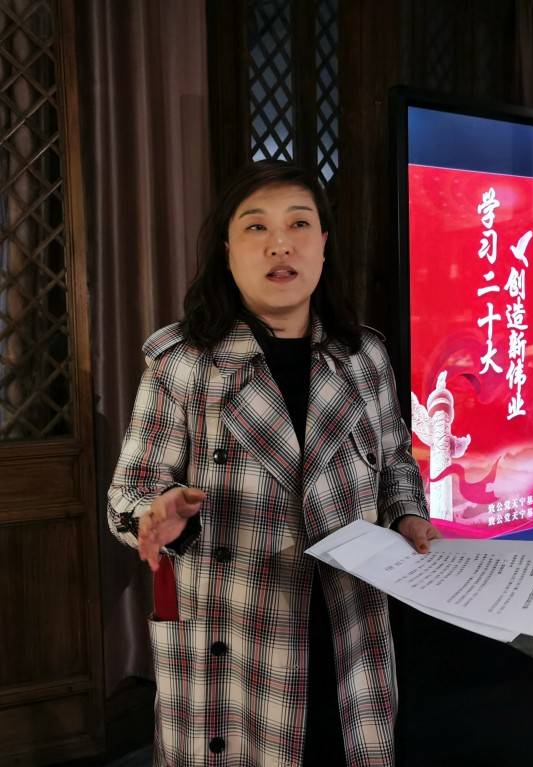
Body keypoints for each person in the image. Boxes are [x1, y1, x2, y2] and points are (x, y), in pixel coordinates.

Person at [107, 160, 440, 766]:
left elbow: (395, 462)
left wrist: (407, 515)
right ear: (227, 252)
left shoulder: (363, 354)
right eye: (256, 227)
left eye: (299, 224)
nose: (280, 244)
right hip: (234, 642)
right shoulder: (182, 362)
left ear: (323, 244)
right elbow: (128, 493)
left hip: (347, 627)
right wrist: (154, 516)